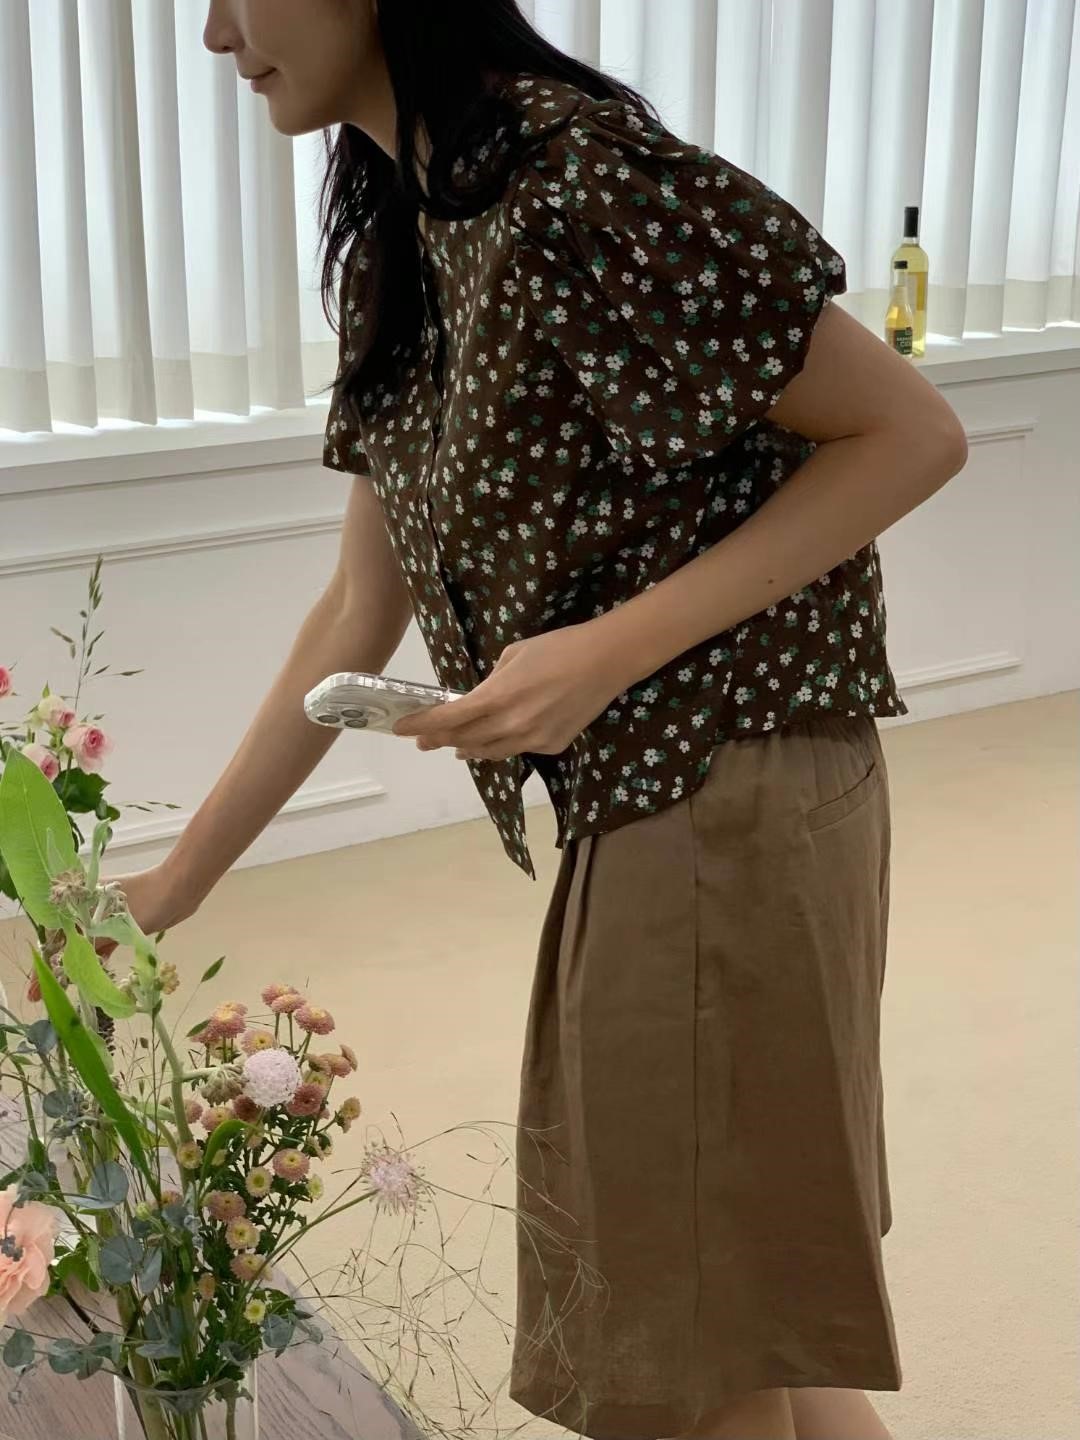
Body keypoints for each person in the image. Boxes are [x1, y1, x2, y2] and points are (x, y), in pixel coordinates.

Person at [119, 3, 968, 1438]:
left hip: (728, 781)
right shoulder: (404, 234)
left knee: (682, 1353)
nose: (214, 32)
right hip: (660, 803)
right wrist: (175, 881)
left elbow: (912, 432)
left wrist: (599, 656)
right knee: (741, 1320)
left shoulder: (581, 177)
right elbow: (356, 614)